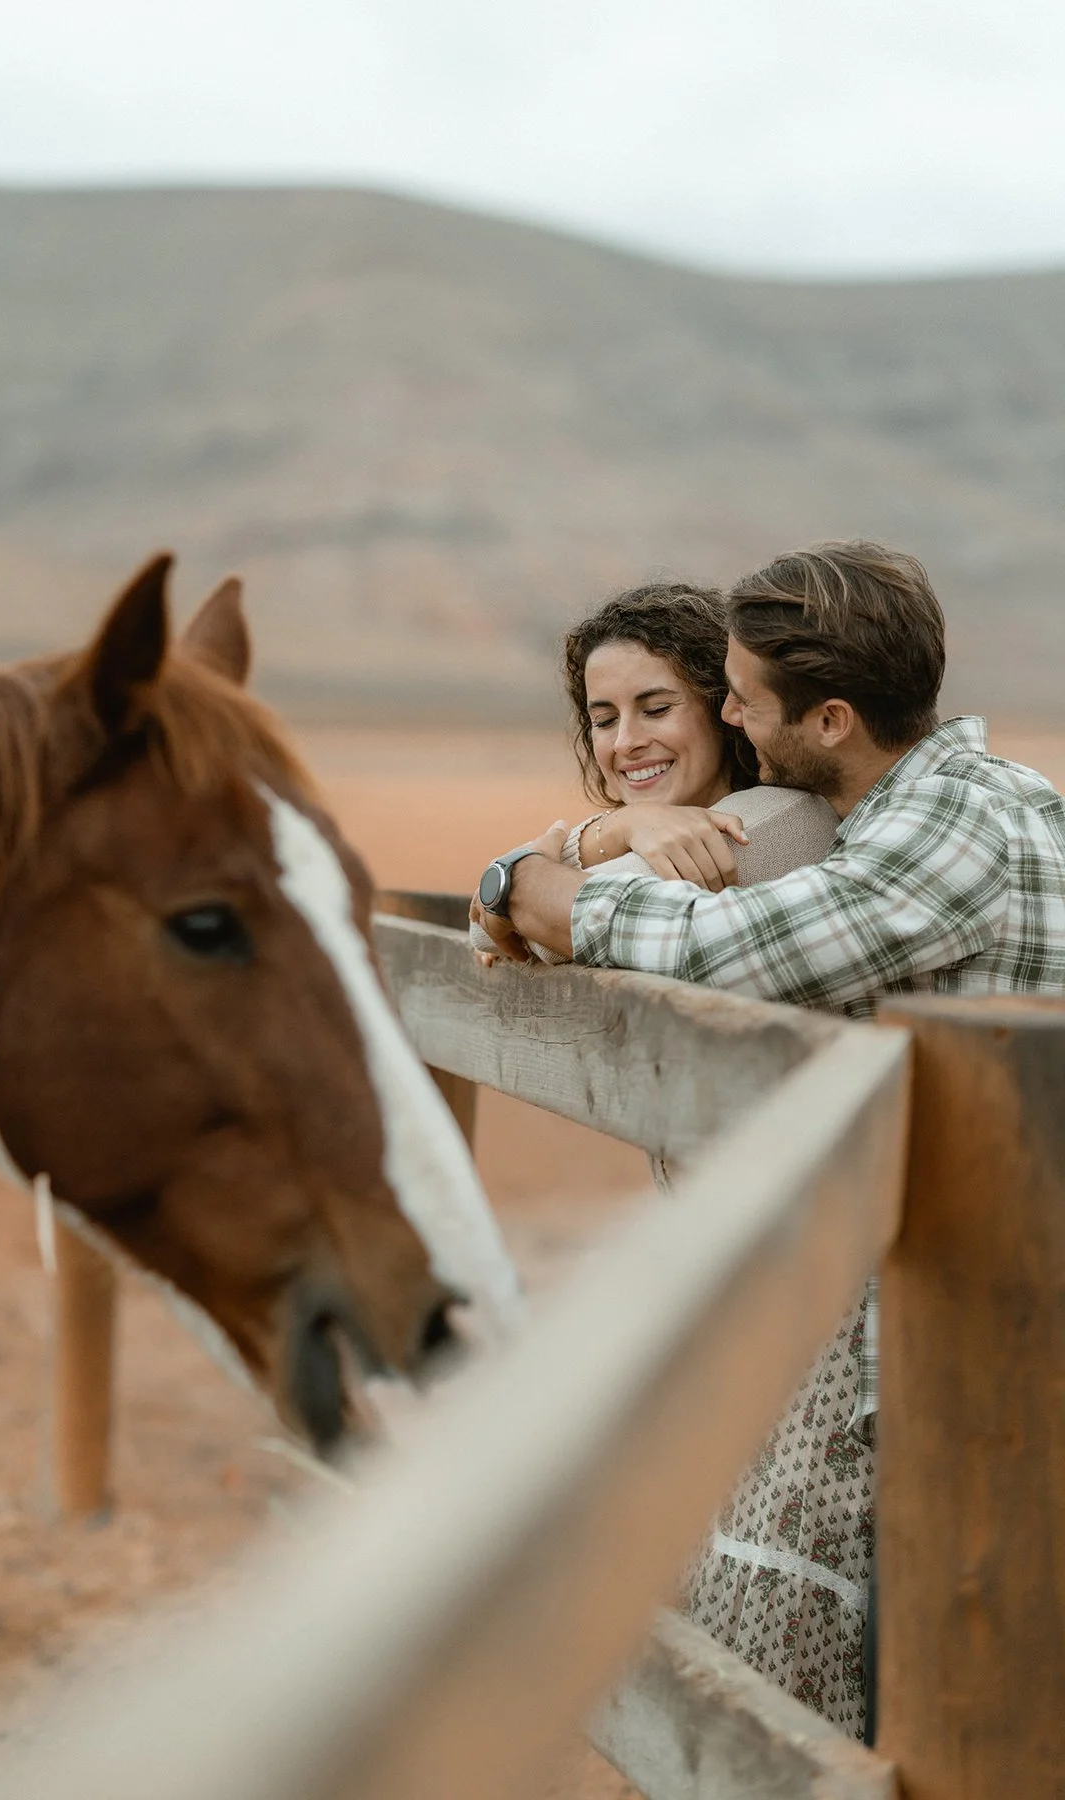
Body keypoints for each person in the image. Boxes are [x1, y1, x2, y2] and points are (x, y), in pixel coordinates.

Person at [472, 540, 1065, 1739]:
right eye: (607, 714)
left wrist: (538, 882)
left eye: (723, 696)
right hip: (921, 1294)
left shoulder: (915, 831)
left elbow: (709, 954)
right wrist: (578, 850)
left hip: (965, 1308)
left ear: (829, 717)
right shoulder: (911, 802)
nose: (731, 712)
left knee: (903, 1656)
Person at [470, 582, 837, 967]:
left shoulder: (772, 821)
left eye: (658, 709)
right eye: (605, 720)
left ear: (724, 710)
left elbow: (496, 926)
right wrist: (618, 828)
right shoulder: (657, 830)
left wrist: (594, 838)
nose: (626, 742)